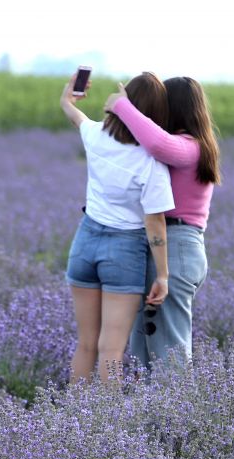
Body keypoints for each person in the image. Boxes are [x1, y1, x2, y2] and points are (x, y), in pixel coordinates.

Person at [59, 70, 172, 384]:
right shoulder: (151, 163)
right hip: (124, 253)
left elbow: (75, 116)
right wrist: (162, 275)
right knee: (111, 351)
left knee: (85, 345)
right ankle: (110, 430)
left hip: (84, 244)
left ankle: (69, 424)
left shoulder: (96, 135)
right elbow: (155, 222)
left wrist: (68, 97)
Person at [104, 76, 221, 371]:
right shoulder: (195, 146)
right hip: (171, 248)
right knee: (145, 349)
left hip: (176, 247)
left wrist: (122, 105)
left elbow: (157, 142)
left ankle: (176, 417)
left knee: (169, 353)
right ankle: (152, 417)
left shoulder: (189, 147)